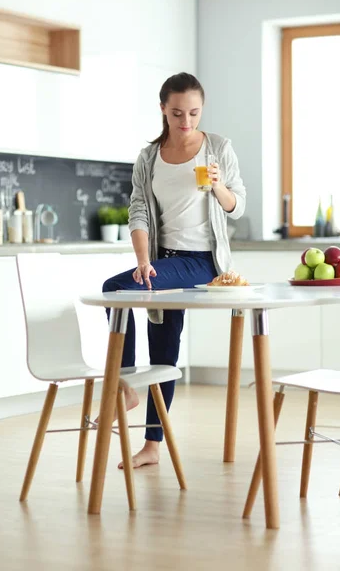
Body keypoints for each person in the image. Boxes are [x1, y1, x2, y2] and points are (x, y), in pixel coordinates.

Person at [102, 72, 246, 469]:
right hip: (163, 260)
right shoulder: (149, 158)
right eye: (178, 113)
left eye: (194, 113)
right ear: (163, 108)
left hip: (201, 262)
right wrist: (144, 261)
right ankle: (152, 445)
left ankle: (125, 384)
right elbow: (139, 211)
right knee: (165, 349)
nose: (186, 122)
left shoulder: (217, 148)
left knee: (113, 288)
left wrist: (217, 186)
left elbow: (238, 204)